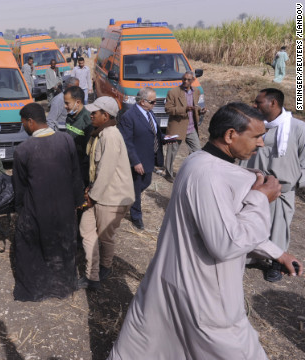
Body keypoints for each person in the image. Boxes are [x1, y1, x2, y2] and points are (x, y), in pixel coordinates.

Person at [108, 102, 303, 360]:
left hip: (178, 282)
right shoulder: (210, 174)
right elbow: (226, 243)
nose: (261, 144)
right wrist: (259, 200)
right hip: (206, 295)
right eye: (256, 136)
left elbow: (225, 224)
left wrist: (276, 253)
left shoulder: (199, 161)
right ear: (231, 135)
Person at [12, 102, 84, 301]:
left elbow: (20, 186)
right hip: (65, 209)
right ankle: (63, 285)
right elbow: (75, 174)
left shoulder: (23, 150)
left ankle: (38, 288)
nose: (24, 127)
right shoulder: (66, 140)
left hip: (37, 210)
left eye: (24, 124)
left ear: (31, 122)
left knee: (35, 247)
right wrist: (78, 201)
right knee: (62, 246)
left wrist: (20, 210)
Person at [241, 88, 305, 282]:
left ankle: (275, 264)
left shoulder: (297, 128)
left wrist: (296, 182)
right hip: (255, 186)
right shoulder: (254, 125)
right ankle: (251, 256)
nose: (254, 105)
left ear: (273, 104)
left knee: (279, 226)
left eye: (258, 102)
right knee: (252, 222)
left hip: (282, 190)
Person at [78, 97, 134, 290]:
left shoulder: (110, 135)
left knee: (104, 236)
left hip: (111, 197)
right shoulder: (99, 133)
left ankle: (105, 267)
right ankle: (92, 276)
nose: (91, 115)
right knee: (87, 231)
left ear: (106, 115)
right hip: (98, 193)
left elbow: (107, 170)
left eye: (95, 112)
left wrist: (92, 197)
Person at [118, 87, 164, 230]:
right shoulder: (129, 116)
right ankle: (136, 216)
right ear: (143, 102)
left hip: (149, 157)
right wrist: (135, 161)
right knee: (137, 187)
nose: (155, 104)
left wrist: (166, 138)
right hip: (138, 159)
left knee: (146, 182)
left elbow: (155, 133)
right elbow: (127, 142)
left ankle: (128, 197)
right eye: (153, 101)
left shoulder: (150, 113)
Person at [163, 71, 206, 182]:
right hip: (177, 127)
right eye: (184, 79)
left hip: (191, 127)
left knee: (197, 151)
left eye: (188, 80)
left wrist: (201, 111)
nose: (185, 81)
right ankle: (168, 173)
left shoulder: (196, 91)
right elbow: (168, 109)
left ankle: (190, 171)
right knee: (172, 152)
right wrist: (184, 109)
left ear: (193, 80)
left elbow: (195, 107)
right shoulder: (173, 92)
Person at [63, 86, 93, 184]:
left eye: (67, 103)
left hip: (82, 168)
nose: (65, 106)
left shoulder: (88, 121)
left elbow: (90, 151)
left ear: (78, 102)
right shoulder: (69, 116)